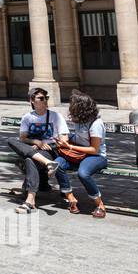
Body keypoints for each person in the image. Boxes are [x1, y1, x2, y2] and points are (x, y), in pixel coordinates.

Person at [6, 88, 64, 211]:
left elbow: (65, 138)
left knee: (29, 159)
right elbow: (22, 138)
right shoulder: (27, 117)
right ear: (32, 101)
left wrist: (48, 143)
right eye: (41, 98)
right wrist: (36, 142)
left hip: (50, 149)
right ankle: (48, 163)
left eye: (46, 98)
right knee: (11, 140)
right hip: (33, 149)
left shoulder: (55, 116)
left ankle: (30, 200)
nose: (45, 101)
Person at [53, 90, 108, 218]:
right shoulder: (79, 120)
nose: (70, 109)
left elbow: (94, 149)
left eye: (72, 106)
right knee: (56, 164)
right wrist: (66, 139)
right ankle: (71, 198)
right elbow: (79, 137)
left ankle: (100, 205)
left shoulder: (96, 124)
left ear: (81, 108)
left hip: (96, 156)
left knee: (83, 174)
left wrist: (70, 146)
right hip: (77, 154)